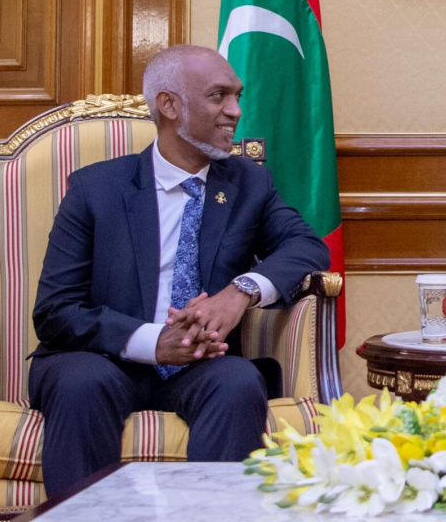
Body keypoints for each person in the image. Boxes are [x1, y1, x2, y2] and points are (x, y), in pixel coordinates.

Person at [29, 44, 330, 496]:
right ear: (169, 105)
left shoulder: (249, 183)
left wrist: (241, 291)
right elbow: (55, 311)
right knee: (82, 384)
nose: (236, 111)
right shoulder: (96, 189)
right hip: (104, 357)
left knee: (239, 382)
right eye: (218, 96)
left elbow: (306, 246)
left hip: (201, 364)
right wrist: (154, 342)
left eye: (237, 96)